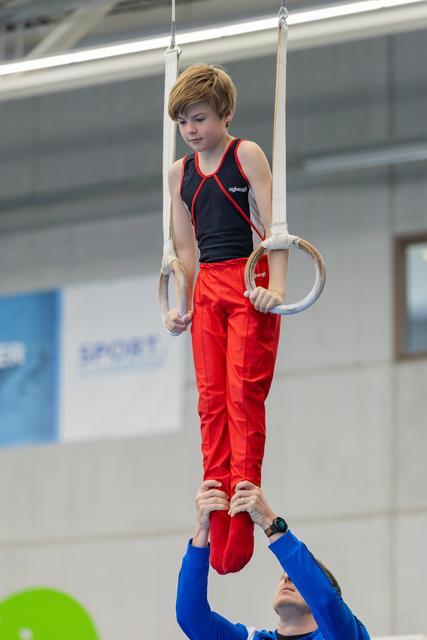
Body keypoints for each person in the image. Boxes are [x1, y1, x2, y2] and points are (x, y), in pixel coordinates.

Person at [166, 63, 288, 574]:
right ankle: (216, 511)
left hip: (248, 281)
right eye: (183, 122)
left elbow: (277, 229)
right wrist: (184, 304)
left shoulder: (248, 155)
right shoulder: (178, 174)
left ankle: (244, 508)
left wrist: (275, 288)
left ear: (226, 114)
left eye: (199, 119)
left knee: (241, 396)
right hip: (209, 286)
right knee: (211, 403)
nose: (191, 130)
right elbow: (185, 248)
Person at [176, 479, 371, 640]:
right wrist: (202, 529)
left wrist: (269, 521)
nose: (285, 578)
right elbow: (191, 617)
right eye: (284, 576)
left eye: (295, 578)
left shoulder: (347, 634)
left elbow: (325, 601)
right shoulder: (250, 638)